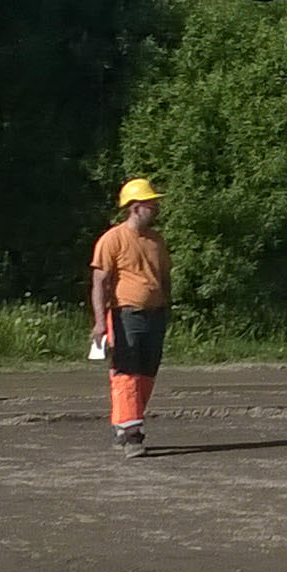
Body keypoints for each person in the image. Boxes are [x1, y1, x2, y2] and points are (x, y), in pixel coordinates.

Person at [88, 178, 172, 458]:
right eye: (151, 203)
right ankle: (132, 435)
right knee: (127, 373)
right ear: (135, 207)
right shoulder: (112, 239)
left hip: (155, 315)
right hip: (125, 314)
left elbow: (164, 277)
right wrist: (100, 322)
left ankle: (123, 424)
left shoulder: (157, 240)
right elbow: (99, 282)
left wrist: (166, 306)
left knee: (147, 373)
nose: (156, 206)